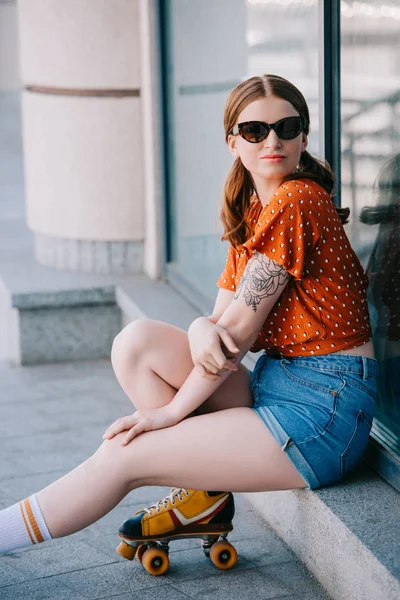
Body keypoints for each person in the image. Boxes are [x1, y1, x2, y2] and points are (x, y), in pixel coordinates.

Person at [0, 74, 378, 559]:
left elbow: (235, 338)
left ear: (304, 137)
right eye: (255, 130)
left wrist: (168, 416)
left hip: (323, 412)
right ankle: (206, 497)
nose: (273, 141)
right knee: (136, 344)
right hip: (277, 383)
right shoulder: (255, 206)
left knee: (123, 458)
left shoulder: (297, 199)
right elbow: (219, 326)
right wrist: (201, 326)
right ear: (232, 142)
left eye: (287, 127)